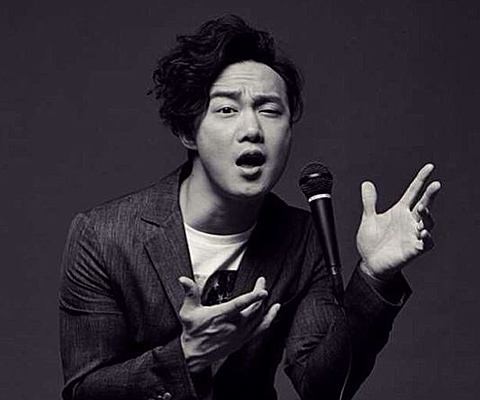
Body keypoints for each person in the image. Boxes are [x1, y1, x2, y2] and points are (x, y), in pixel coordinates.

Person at [59, 15, 441, 400]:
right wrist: (187, 356)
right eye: (227, 110)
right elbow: (84, 391)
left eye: (269, 110)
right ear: (188, 131)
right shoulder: (104, 235)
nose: (252, 129)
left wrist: (373, 277)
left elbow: (323, 387)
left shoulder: (302, 238)